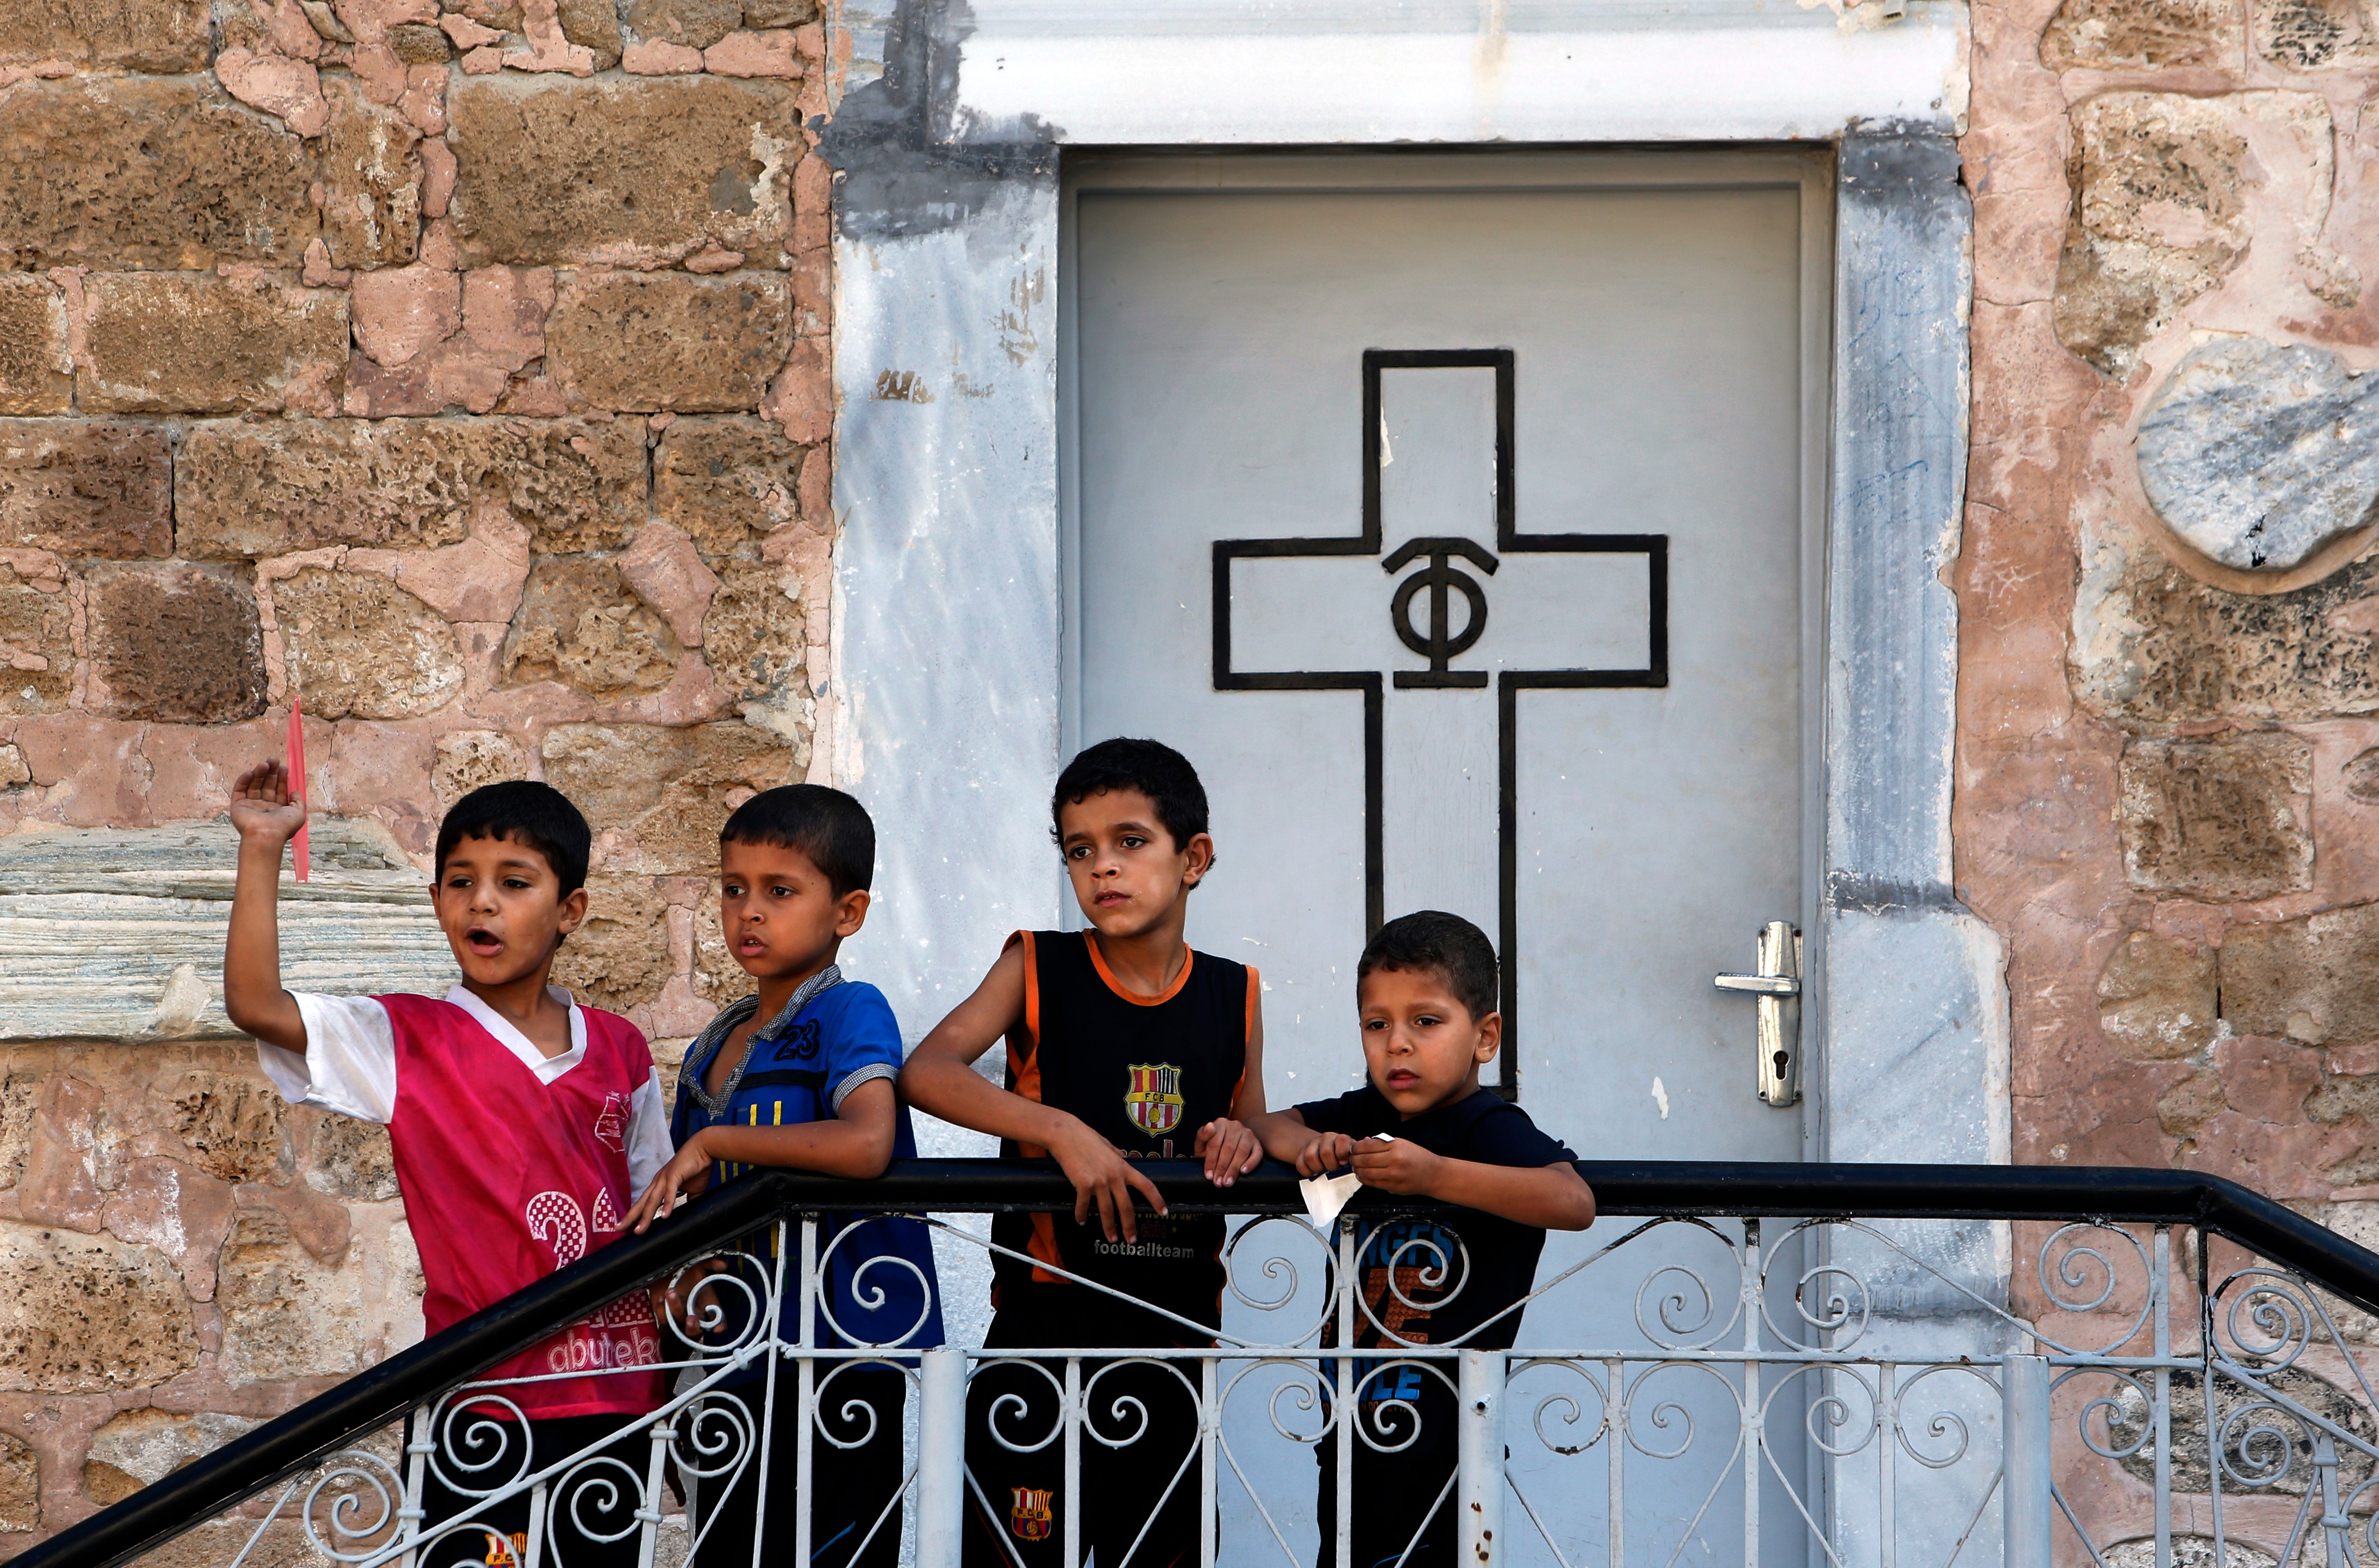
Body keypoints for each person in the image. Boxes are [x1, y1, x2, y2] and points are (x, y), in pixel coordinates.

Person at [225, 768, 670, 1568]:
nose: (483, 902)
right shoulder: (405, 1038)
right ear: (437, 904)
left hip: (618, 1395)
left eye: (514, 882)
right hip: (481, 1402)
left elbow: (653, 1207)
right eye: (461, 883)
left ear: (570, 910)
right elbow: (259, 1005)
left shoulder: (622, 1049)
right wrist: (263, 846)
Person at [900, 737, 1267, 1568]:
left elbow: (1254, 1128)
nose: (1103, 868)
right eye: (1080, 850)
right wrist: (1061, 1130)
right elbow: (926, 1070)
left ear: (1194, 858)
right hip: (1044, 1324)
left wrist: (1245, 1137)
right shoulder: (1038, 963)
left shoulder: (1232, 993)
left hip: (1175, 1334)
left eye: (1130, 842)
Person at [624, 784, 942, 1568]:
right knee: (733, 1545)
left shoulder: (850, 1011)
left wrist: (721, 1141)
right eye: (734, 890)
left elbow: (868, 1143)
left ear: (849, 912)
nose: (750, 913)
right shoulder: (714, 1044)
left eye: (780, 891)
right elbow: (693, 1198)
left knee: (836, 1547)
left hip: (842, 1348)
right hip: (738, 1348)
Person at [1246, 910, 1596, 1568]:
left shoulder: (1483, 1124)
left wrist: (1434, 1175)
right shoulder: (1367, 1115)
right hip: (1350, 1431)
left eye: (1426, 1022)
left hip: (1444, 1446)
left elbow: (1572, 1201)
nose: (1397, 1044)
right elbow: (1271, 1124)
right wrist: (1320, 1147)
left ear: (1485, 1036)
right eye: (1377, 1025)